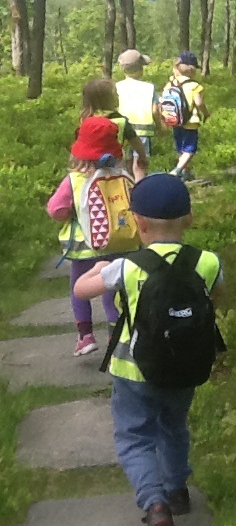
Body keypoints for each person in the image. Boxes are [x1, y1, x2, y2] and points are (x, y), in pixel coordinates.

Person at [73, 173, 223, 526]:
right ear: (189, 219)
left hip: (133, 370)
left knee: (135, 437)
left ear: (137, 223)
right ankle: (177, 491)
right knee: (174, 427)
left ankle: (155, 504)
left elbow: (82, 290)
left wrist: (95, 271)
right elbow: (219, 297)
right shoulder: (206, 261)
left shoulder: (128, 266)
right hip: (186, 367)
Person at [47, 117, 133, 356]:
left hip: (84, 250)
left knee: (78, 290)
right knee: (112, 290)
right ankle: (117, 336)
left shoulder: (74, 180)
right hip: (120, 244)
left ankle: (85, 336)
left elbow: (56, 210)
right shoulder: (122, 175)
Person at [81, 78, 149, 181]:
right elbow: (135, 141)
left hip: (90, 164)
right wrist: (142, 155)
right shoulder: (120, 120)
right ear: (106, 100)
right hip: (115, 163)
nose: (118, 96)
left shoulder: (86, 119)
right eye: (115, 95)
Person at [115, 49, 160, 177]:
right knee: (140, 164)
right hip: (143, 130)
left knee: (124, 162)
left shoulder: (117, 86)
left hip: (122, 130)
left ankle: (126, 189)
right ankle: (140, 191)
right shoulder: (149, 87)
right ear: (141, 69)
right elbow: (155, 111)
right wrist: (160, 127)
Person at [167, 51, 210, 180]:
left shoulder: (171, 83)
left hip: (175, 120)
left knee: (181, 148)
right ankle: (177, 170)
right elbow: (199, 102)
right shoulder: (194, 86)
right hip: (191, 121)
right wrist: (206, 113)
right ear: (192, 71)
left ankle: (185, 172)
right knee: (190, 149)